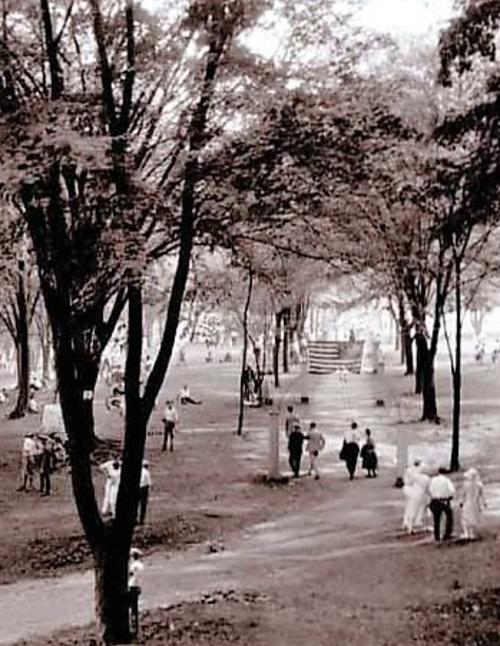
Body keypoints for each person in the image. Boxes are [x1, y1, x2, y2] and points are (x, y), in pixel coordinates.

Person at [402, 460, 431, 534]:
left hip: (412, 491)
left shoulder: (410, 471)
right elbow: (427, 488)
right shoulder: (424, 477)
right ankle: (415, 523)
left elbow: (408, 481)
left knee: (410, 508)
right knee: (418, 508)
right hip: (418, 493)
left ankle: (408, 524)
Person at [429, 468, 456, 541]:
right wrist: (450, 497)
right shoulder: (446, 480)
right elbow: (452, 491)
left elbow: (430, 490)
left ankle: (436, 535)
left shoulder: (433, 480)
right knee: (449, 516)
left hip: (434, 500)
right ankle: (447, 534)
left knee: (436, 519)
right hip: (444, 500)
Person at [459, 468, 486, 540]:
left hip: (467, 502)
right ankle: (471, 533)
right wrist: (484, 503)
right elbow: (482, 495)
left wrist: (461, 502)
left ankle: (466, 533)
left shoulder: (466, 484)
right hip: (475, 503)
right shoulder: (479, 485)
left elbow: (463, 494)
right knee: (473, 518)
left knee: (465, 518)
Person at [128, 547, 144, 637]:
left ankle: (132, 626)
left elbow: (130, 575)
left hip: (132, 587)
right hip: (137, 587)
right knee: (134, 608)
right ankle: (135, 626)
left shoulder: (134, 566)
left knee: (130, 607)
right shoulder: (141, 566)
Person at [138, 460, 152, 525]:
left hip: (137, 488)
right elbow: (149, 482)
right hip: (144, 488)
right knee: (143, 505)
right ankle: (141, 520)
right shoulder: (146, 472)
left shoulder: (138, 471)